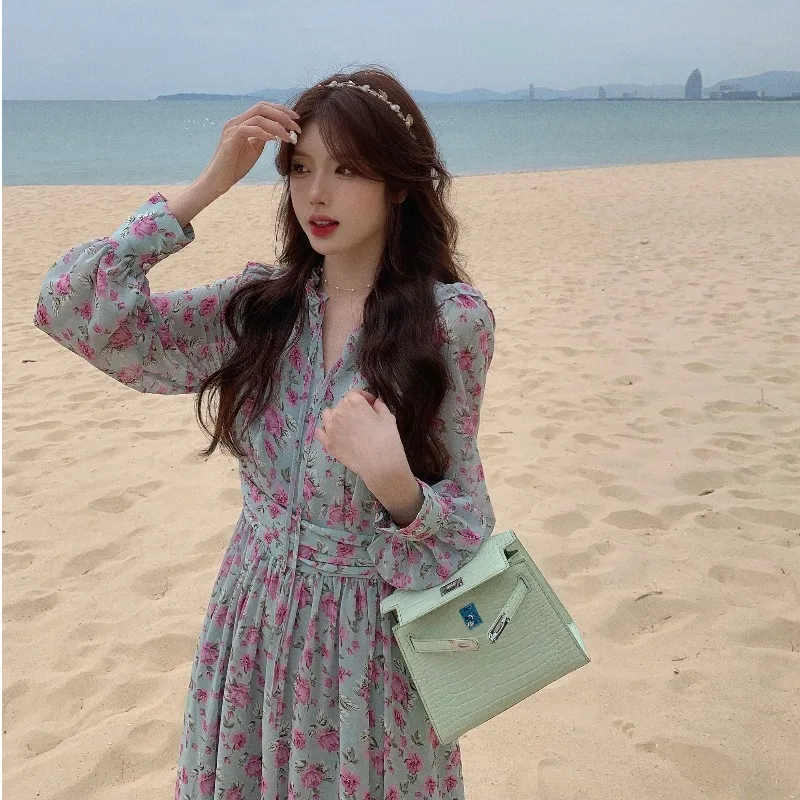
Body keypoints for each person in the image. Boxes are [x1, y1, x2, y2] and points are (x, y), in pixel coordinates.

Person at [33, 64, 496, 800]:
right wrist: (207, 186)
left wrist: (395, 484)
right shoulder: (261, 311)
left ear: (399, 186)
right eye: (301, 168)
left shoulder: (450, 325)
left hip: (371, 652)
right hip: (252, 624)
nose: (317, 194)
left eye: (348, 170)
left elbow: (466, 531)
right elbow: (73, 309)